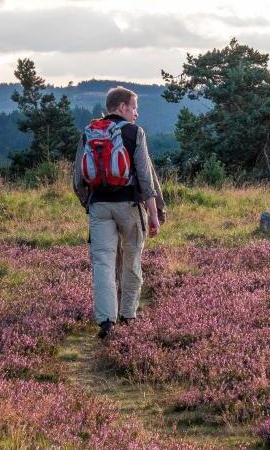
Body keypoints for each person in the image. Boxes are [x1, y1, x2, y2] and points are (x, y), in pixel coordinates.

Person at [73, 86, 165, 339]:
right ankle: (128, 315)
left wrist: (90, 205)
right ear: (122, 107)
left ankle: (105, 320)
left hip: (99, 207)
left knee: (102, 263)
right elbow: (145, 178)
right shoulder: (135, 132)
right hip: (129, 206)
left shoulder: (89, 132)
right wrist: (154, 213)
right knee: (132, 259)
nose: (136, 113)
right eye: (134, 107)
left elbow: (77, 181)